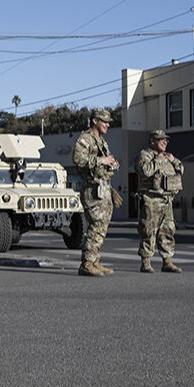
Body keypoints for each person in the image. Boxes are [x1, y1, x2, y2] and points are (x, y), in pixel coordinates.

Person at [72, 108, 120, 276]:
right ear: (95, 121)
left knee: (102, 226)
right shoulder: (86, 139)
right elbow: (78, 159)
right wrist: (102, 160)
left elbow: (105, 162)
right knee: (96, 224)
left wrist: (112, 164)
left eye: (108, 122)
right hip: (92, 189)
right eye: (104, 121)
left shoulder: (101, 142)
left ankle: (94, 260)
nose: (107, 125)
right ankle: (86, 263)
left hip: (103, 188)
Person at [135, 129, 183, 273]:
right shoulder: (144, 155)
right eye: (161, 139)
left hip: (166, 200)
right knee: (148, 231)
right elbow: (145, 171)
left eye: (166, 140)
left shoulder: (168, 156)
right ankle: (146, 262)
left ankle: (167, 261)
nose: (164, 142)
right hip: (151, 199)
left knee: (167, 231)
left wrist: (173, 160)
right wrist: (158, 159)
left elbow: (181, 169)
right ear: (152, 141)